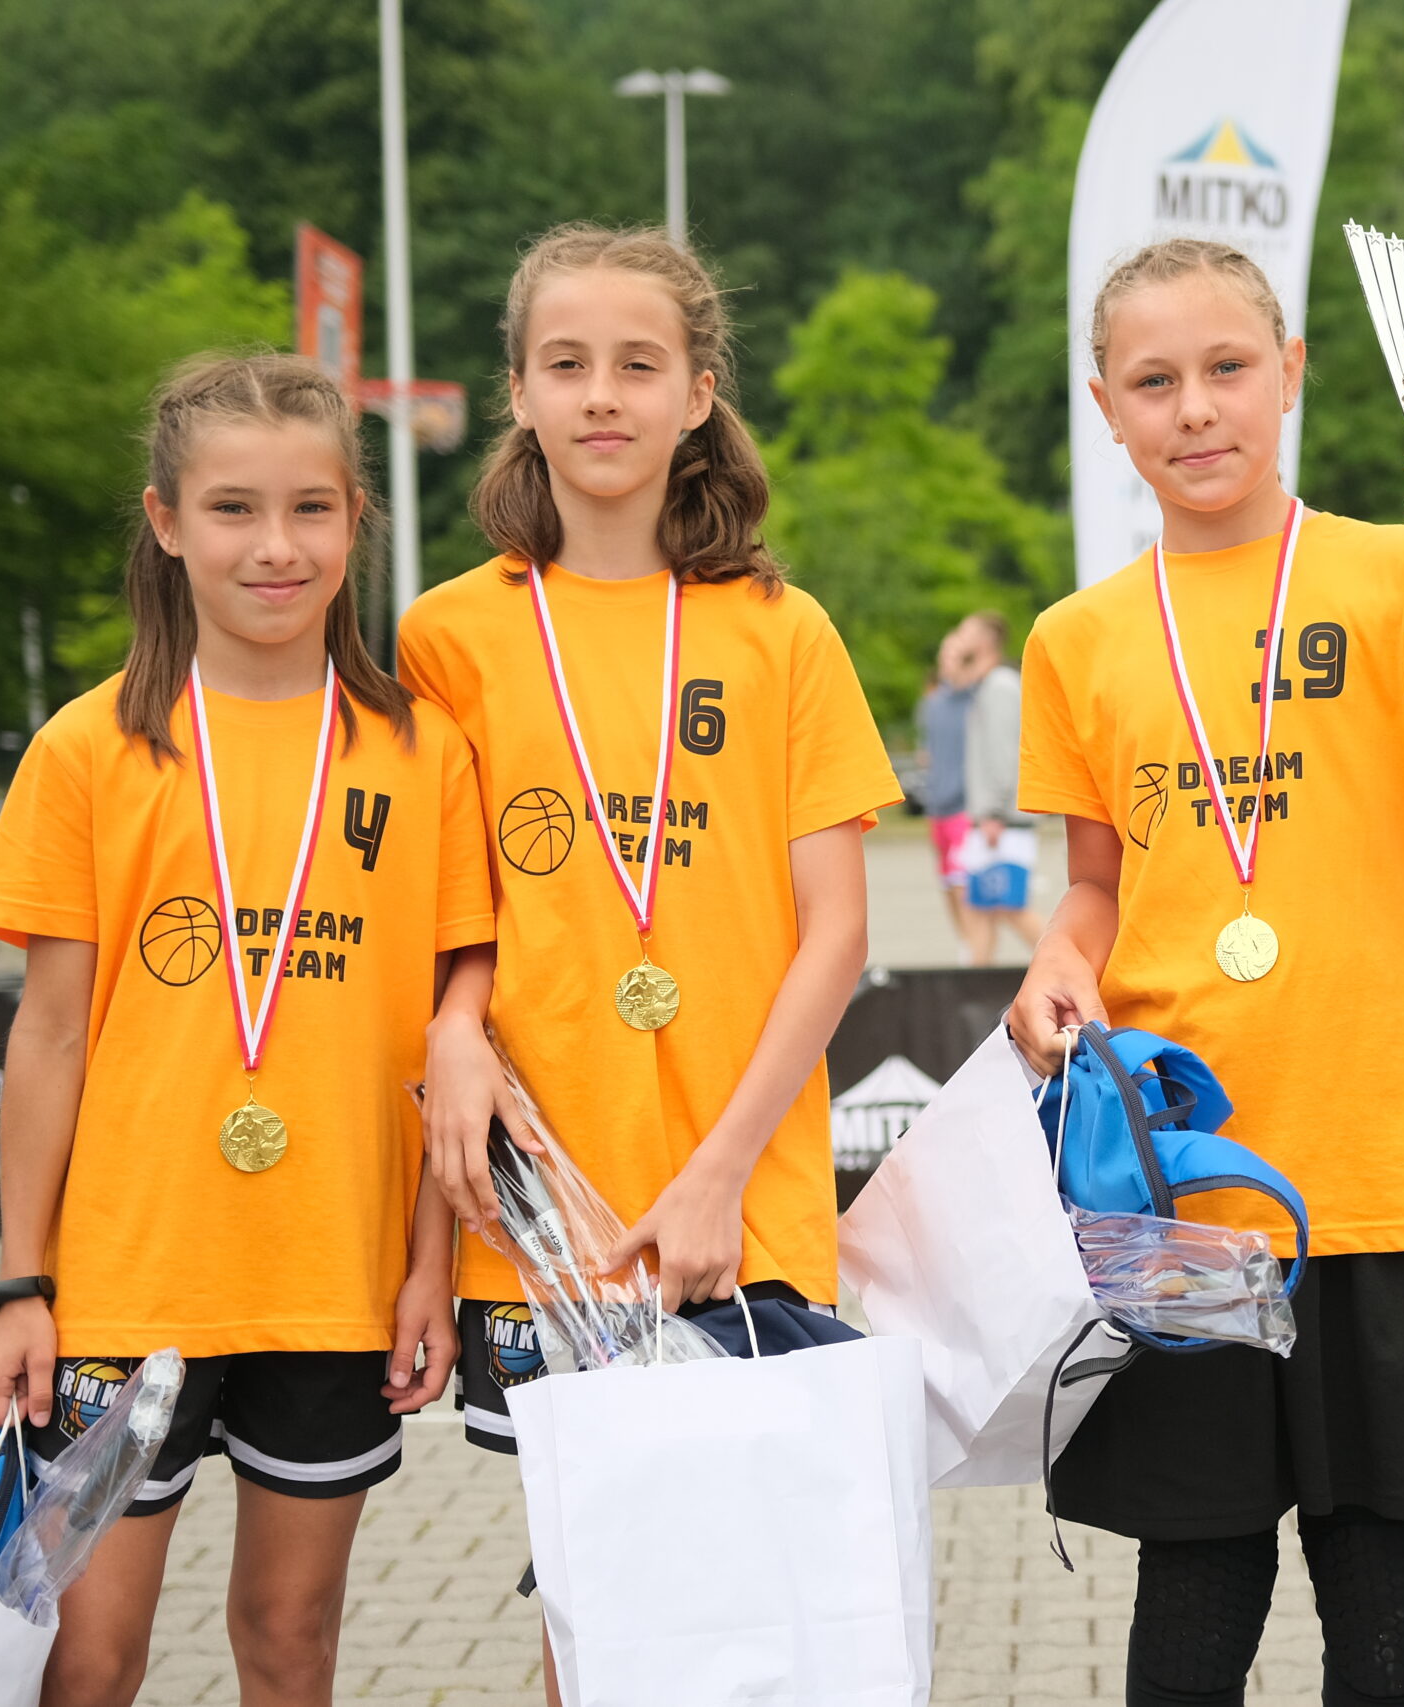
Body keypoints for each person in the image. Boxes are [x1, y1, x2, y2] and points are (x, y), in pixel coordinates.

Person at [1008, 237, 1404, 1707]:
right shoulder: (1077, 639)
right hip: (1184, 1194)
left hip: (1384, 1168)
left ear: (1293, 374)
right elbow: (1095, 886)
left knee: (1390, 1605)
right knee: (1195, 1600)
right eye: (1153, 381)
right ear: (1106, 408)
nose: (1195, 407)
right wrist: (1058, 958)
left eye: (1227, 367)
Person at [0, 353, 489, 1707]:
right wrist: (21, 1288)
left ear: (355, 518)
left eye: (310, 508)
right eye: (233, 509)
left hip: (334, 1277)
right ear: (166, 521)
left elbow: (442, 1043)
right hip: (125, 1282)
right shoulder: (89, 749)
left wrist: (428, 1267)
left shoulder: (422, 751)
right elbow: (50, 1038)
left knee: (290, 1640)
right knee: (88, 1658)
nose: (275, 546)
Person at [399, 227, 897, 1619]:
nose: (602, 395)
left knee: (751, 1614)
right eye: (566, 365)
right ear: (518, 391)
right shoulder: (447, 636)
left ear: (697, 393)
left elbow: (836, 934)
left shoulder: (782, 630)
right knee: (594, 1613)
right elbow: (449, 925)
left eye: (637, 364)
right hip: (545, 1216)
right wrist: (455, 1028)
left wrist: (718, 1176)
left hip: (739, 1205)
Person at [956, 608, 1044, 965]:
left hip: (1003, 822)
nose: (958, 638)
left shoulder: (1000, 686)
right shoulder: (987, 685)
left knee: (1011, 907)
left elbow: (1005, 754)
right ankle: (975, 977)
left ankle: (1068, 967)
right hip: (991, 819)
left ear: (984, 641)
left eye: (965, 631)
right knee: (978, 907)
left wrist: (992, 811)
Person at [916, 631, 977, 952]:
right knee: (946, 883)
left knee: (960, 882)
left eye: (955, 654)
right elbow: (927, 751)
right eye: (945, 653)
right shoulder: (931, 704)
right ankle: (964, 943)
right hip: (937, 805)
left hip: (963, 807)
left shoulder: (975, 701)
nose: (947, 660)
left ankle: (973, 950)